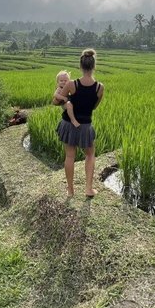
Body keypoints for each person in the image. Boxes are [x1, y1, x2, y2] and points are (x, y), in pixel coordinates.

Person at [53, 49, 104, 198]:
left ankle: (70, 191)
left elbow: (55, 101)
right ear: (94, 66)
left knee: (70, 156)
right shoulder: (99, 88)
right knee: (90, 155)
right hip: (86, 126)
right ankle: (88, 189)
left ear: (80, 66)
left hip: (68, 124)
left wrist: (65, 99)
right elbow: (94, 106)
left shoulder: (71, 84)